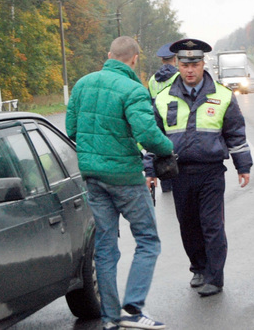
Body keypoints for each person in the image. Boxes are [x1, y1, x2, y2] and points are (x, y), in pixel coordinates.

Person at [66, 36, 172, 330]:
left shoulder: (82, 84)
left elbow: (72, 129)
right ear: (135, 59)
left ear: (109, 54)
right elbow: (147, 134)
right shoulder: (133, 89)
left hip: (93, 177)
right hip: (125, 177)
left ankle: (110, 317)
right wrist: (167, 149)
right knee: (148, 240)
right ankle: (133, 308)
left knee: (106, 245)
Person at [145, 38, 253, 297]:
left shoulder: (223, 95)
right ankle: (199, 268)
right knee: (188, 225)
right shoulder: (163, 98)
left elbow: (235, 133)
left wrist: (243, 165)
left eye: (194, 64)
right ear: (178, 65)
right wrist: (150, 170)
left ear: (203, 64)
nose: (190, 70)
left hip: (211, 172)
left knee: (212, 226)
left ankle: (215, 278)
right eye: (185, 64)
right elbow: (153, 137)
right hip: (179, 173)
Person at [147, 42, 179, 193]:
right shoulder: (179, 77)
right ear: (175, 59)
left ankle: (166, 183)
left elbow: (150, 102)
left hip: (159, 119)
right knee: (176, 150)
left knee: (161, 149)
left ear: (161, 60)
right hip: (176, 119)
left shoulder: (153, 80)